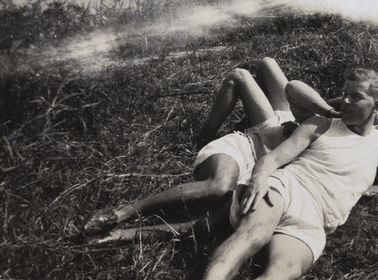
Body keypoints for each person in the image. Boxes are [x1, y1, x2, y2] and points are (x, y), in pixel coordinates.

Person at [201, 68, 378, 280]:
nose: (346, 101)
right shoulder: (322, 123)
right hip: (288, 188)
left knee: (283, 271)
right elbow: (274, 159)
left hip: (316, 220)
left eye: (356, 97)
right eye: (345, 94)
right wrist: (258, 179)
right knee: (251, 236)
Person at [81, 57, 333, 243]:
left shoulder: (343, 149)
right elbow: (282, 79)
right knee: (218, 186)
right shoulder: (321, 118)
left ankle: (122, 235)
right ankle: (125, 210)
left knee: (221, 201)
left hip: (261, 157)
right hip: (246, 145)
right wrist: (325, 111)